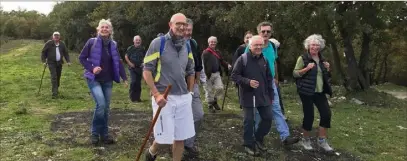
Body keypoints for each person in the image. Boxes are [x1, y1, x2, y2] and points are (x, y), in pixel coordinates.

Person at [143, 13, 195, 161]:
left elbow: (191, 70)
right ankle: (152, 151)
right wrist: (156, 94)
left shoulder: (188, 44)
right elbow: (147, 71)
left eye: (184, 24)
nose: (181, 26)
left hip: (183, 96)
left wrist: (190, 92)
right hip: (164, 97)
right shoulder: (158, 43)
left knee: (180, 137)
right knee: (164, 135)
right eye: (178, 23)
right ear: (170, 24)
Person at [245, 21, 299, 145]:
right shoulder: (252, 46)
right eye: (263, 31)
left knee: (276, 109)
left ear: (271, 32)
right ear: (258, 32)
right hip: (257, 84)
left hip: (270, 83)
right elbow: (244, 64)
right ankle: (256, 137)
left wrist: (276, 78)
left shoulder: (272, 46)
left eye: (268, 31)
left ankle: (285, 137)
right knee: (258, 112)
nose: (265, 33)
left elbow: (274, 62)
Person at [78, 19, 128, 145]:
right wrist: (92, 68)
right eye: (102, 27)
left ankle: (104, 135)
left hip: (107, 80)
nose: (105, 29)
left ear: (110, 30)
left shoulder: (114, 44)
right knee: (101, 105)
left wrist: (124, 78)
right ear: (98, 29)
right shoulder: (92, 42)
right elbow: (82, 58)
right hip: (94, 79)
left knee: (106, 108)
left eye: (107, 27)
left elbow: (118, 62)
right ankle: (95, 134)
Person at [231, 35, 273, 156]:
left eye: (261, 45)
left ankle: (258, 138)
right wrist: (248, 82)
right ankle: (248, 144)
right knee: (249, 121)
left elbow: (269, 78)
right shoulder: (243, 59)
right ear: (250, 46)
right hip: (248, 95)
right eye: (256, 45)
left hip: (263, 95)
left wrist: (271, 94)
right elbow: (234, 76)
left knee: (268, 118)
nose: (259, 47)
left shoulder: (264, 59)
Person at [293, 34, 334, 152]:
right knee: (309, 116)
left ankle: (322, 140)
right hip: (306, 91)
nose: (315, 47)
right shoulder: (303, 58)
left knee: (326, 114)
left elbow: (327, 77)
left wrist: (328, 69)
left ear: (320, 47)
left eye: (317, 45)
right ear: (308, 46)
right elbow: (295, 74)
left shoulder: (322, 60)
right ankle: (305, 139)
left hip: (319, 92)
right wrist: (306, 68)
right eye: (312, 45)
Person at [183, 18, 204, 158]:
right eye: (186, 30)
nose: (188, 33)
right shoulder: (168, 43)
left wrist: (196, 81)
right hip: (175, 86)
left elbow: (197, 64)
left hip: (192, 84)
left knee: (198, 114)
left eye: (190, 30)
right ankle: (177, 144)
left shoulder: (193, 43)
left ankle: (188, 144)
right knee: (178, 116)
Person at [202, 36, 232, 112]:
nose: (213, 43)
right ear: (208, 43)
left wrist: (227, 65)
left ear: (216, 42)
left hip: (217, 74)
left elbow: (222, 61)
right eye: (211, 42)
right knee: (209, 90)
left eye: (214, 41)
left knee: (220, 88)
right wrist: (203, 75)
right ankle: (210, 105)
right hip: (208, 74)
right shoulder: (205, 53)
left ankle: (214, 101)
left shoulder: (217, 52)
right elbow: (202, 64)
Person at [41, 31, 71, 98]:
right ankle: (54, 93)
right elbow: (43, 52)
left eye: (57, 36)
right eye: (55, 36)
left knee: (58, 76)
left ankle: (56, 88)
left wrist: (68, 61)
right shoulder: (49, 43)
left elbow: (66, 53)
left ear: (59, 37)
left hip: (59, 63)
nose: (56, 37)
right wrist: (43, 61)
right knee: (54, 76)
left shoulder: (62, 44)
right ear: (53, 37)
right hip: (51, 62)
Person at [232, 31, 253, 109]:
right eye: (247, 37)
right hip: (242, 74)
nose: (249, 39)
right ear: (244, 39)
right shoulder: (241, 48)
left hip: (253, 74)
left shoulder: (257, 48)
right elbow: (235, 61)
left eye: (251, 37)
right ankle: (243, 105)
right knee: (242, 90)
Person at [125, 35, 145, 102]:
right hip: (132, 68)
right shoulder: (130, 48)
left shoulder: (142, 49)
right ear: (134, 41)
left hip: (139, 68)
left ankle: (138, 98)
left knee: (138, 83)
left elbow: (145, 57)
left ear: (141, 41)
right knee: (133, 82)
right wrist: (130, 63)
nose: (138, 41)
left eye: (139, 40)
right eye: (136, 40)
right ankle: (132, 97)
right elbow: (126, 56)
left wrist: (143, 62)